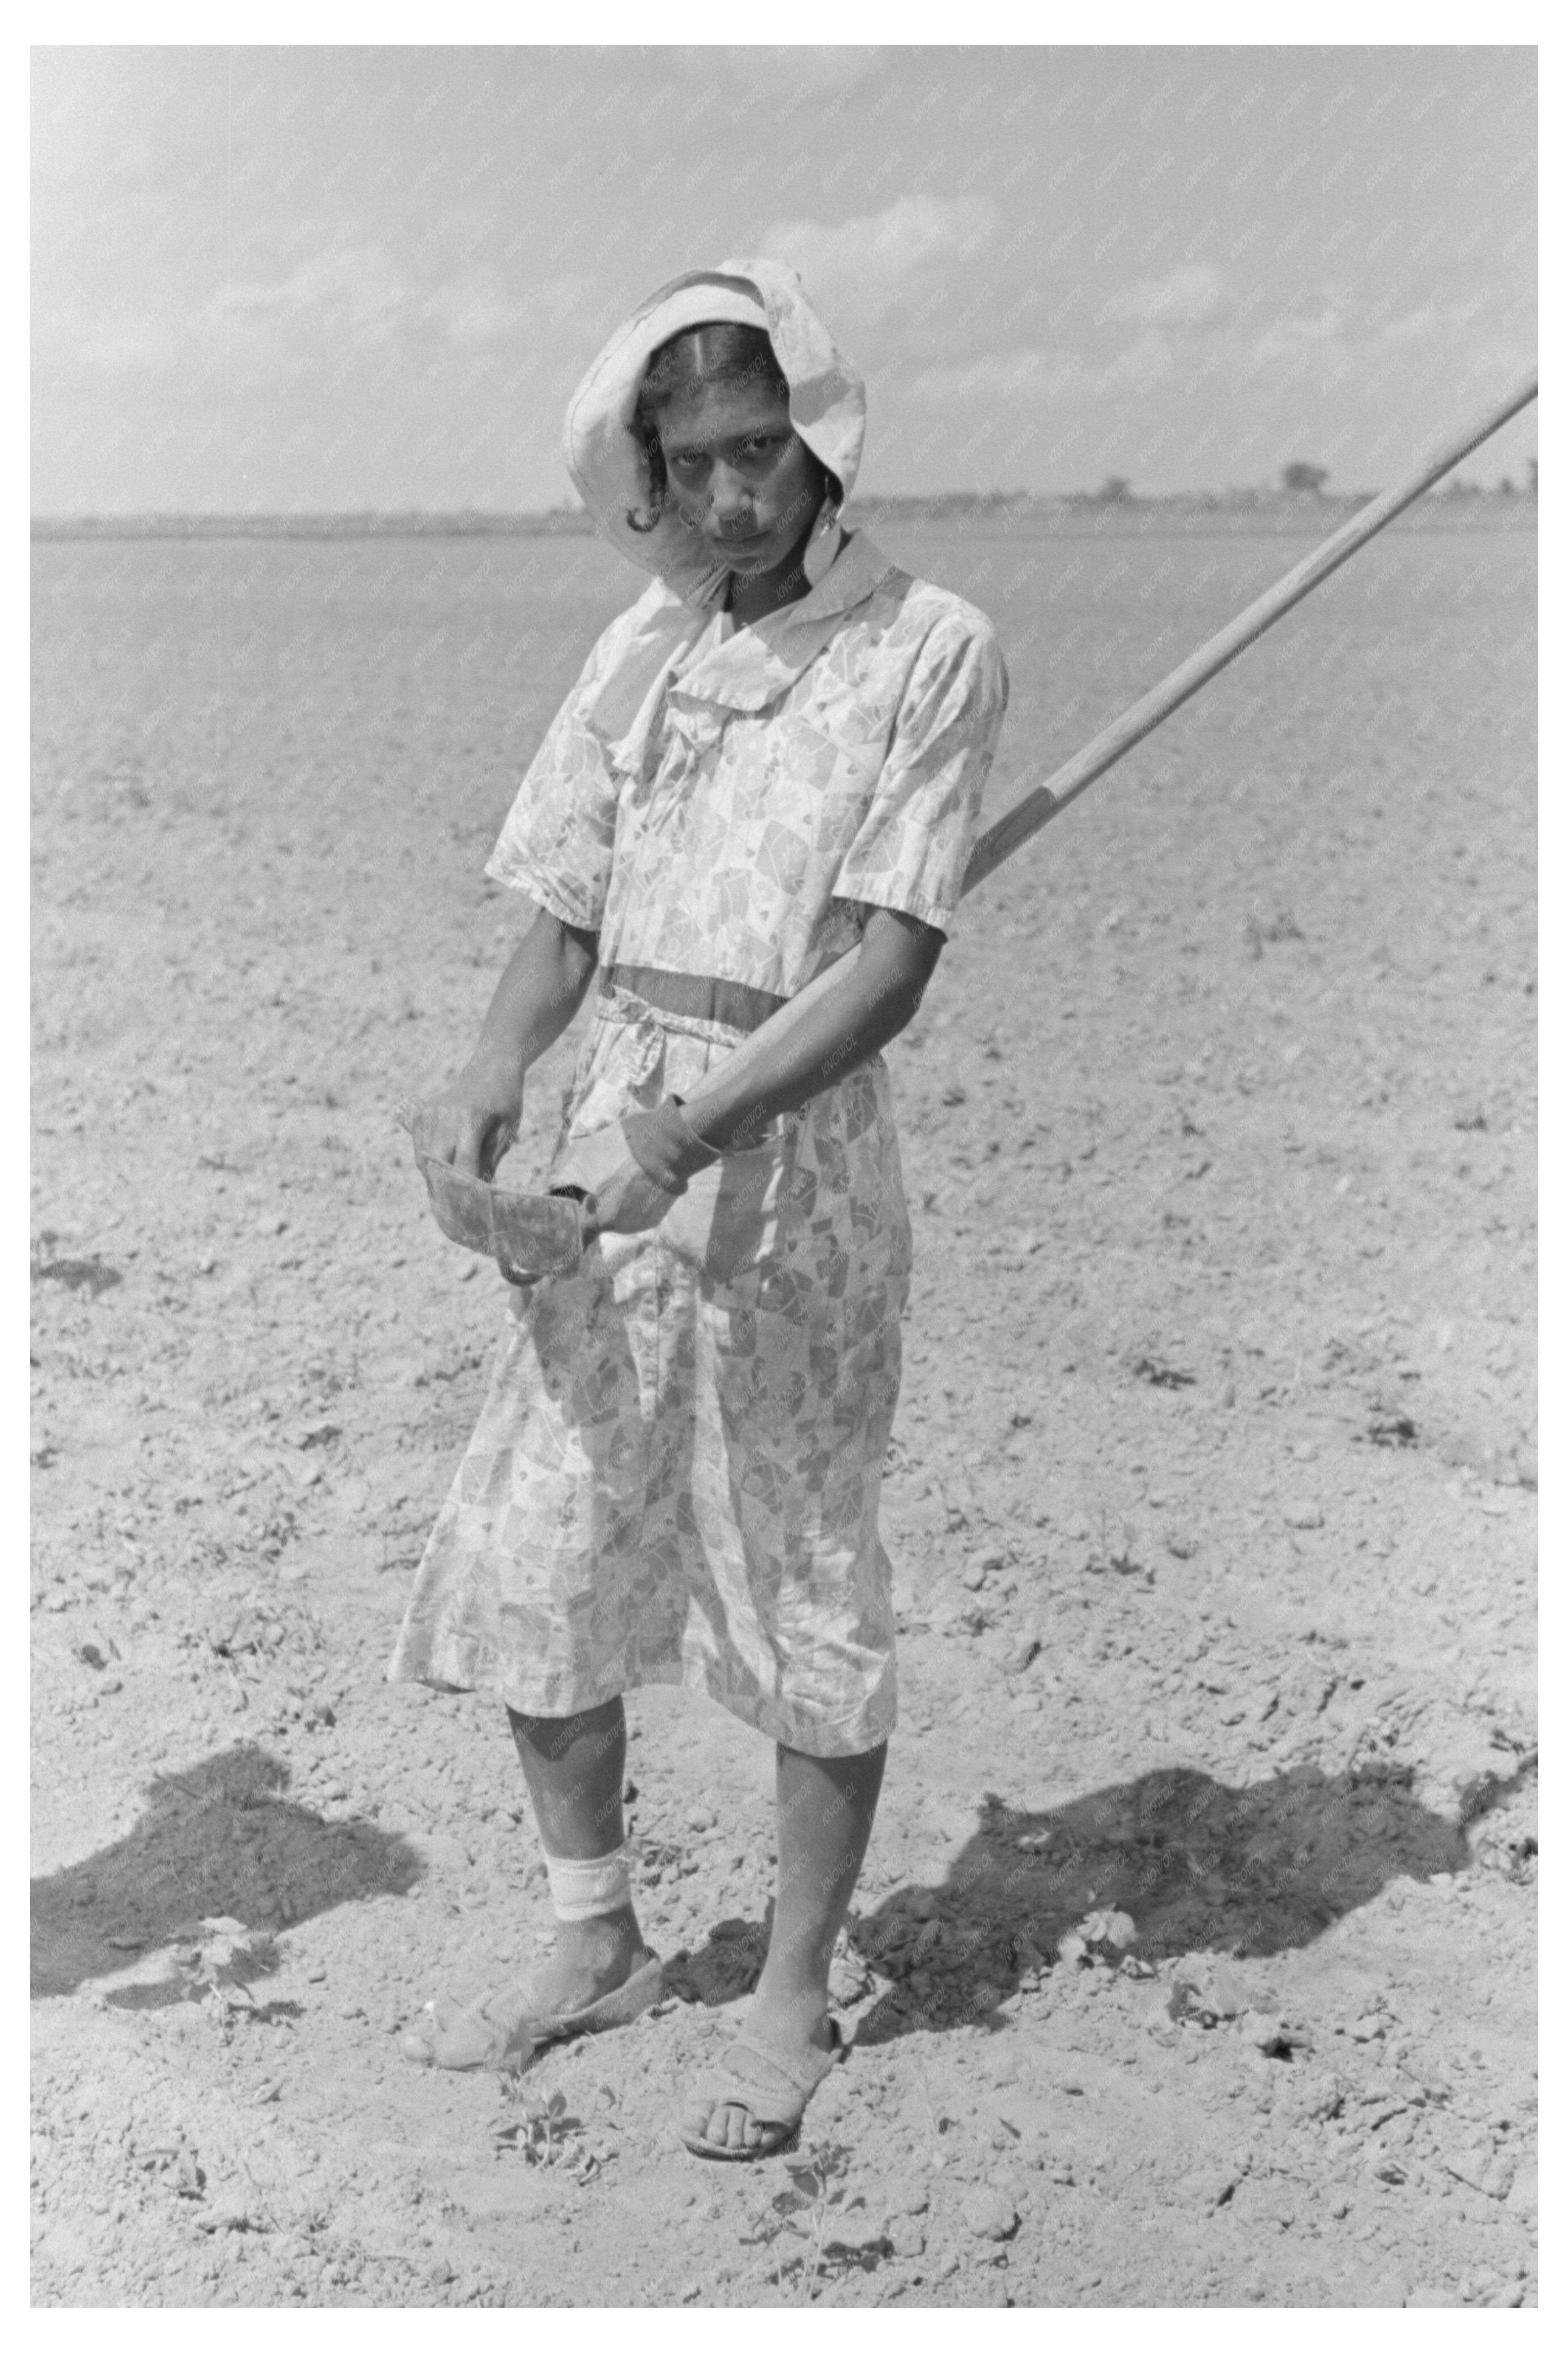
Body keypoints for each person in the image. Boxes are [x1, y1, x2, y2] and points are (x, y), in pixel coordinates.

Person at [392, 260, 1007, 2158]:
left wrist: (692, 1133)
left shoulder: (926, 646)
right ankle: (596, 1941)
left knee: (798, 1575)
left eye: (764, 451)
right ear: (649, 472)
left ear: (818, 440)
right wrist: (498, 1069)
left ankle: (795, 1994)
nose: (737, 494)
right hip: (608, 1144)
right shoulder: (639, 647)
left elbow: (886, 966)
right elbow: (564, 910)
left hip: (793, 1160)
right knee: (539, 1551)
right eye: (698, 461)